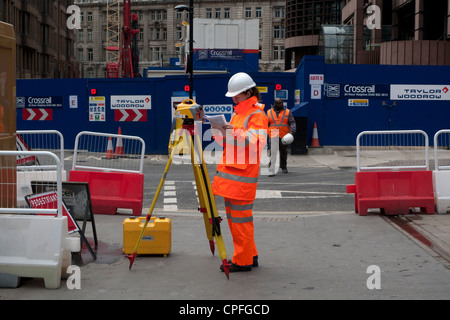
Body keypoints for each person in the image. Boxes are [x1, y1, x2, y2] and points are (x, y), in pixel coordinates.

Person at [211, 72, 268, 272]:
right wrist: (218, 130)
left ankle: (242, 261)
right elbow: (228, 142)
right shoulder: (238, 113)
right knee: (239, 221)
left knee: (240, 222)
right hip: (234, 176)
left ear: (248, 92)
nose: (233, 98)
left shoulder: (257, 115)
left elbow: (255, 144)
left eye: (236, 95)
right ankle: (250, 256)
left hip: (241, 178)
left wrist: (229, 130)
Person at [267, 98, 296, 176]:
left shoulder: (287, 112)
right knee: (273, 152)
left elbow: (292, 122)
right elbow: (266, 123)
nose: (281, 104)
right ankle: (272, 169)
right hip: (273, 134)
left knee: (283, 151)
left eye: (282, 103)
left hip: (284, 135)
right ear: (275, 104)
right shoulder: (269, 112)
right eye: (279, 103)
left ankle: (283, 166)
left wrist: (292, 132)